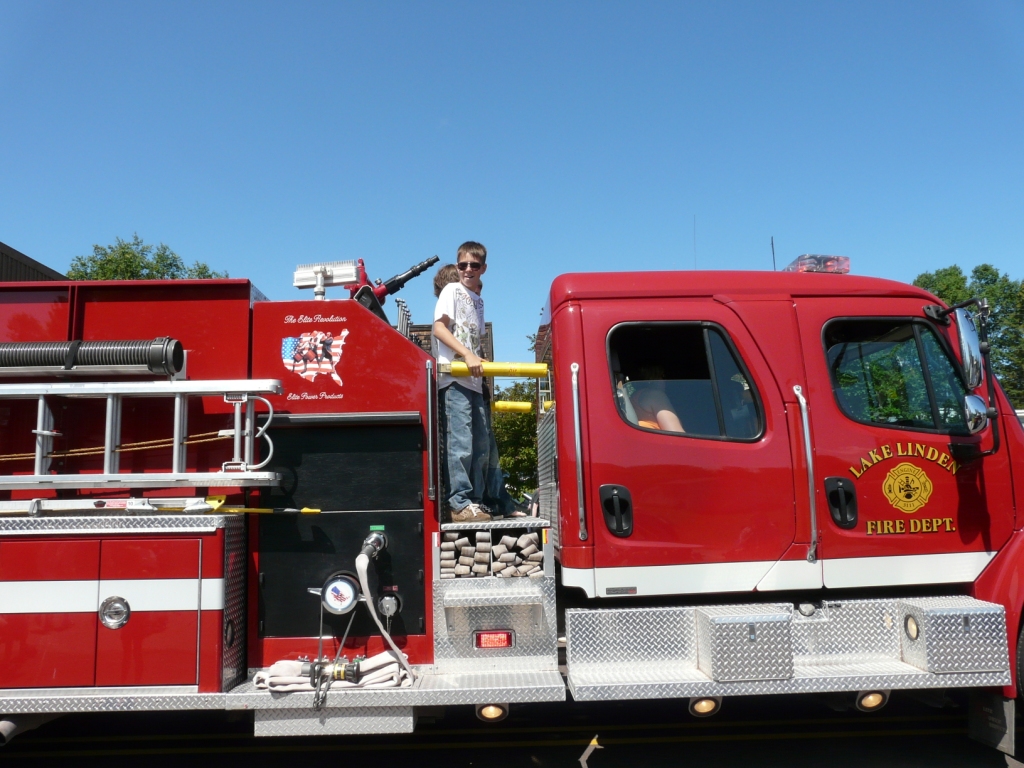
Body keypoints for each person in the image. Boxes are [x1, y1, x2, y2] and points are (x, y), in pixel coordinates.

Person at [433, 242, 515, 522]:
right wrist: (467, 354)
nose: (468, 269)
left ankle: (476, 502)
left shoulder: (478, 301)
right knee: (461, 443)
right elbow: (439, 328)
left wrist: (476, 357)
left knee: (481, 445)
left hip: (473, 382)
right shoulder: (451, 291)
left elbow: (473, 341)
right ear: (457, 267)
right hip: (454, 379)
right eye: (463, 265)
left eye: (474, 265)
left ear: (483, 269)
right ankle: (459, 502)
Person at [628, 365, 685, 433]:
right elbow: (675, 433)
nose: (665, 381)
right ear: (651, 379)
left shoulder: (634, 397)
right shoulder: (655, 395)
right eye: (662, 376)